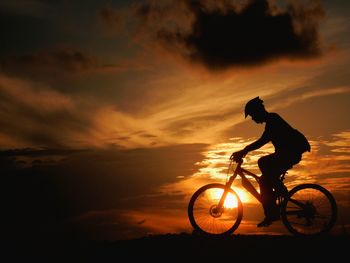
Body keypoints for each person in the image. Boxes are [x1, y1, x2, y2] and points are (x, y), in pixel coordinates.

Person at [230, 96, 310, 227]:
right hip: (286, 154)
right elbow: (263, 140)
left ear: (258, 111)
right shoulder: (271, 120)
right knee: (264, 177)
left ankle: (274, 202)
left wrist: (244, 150)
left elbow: (262, 141)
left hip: (290, 154)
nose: (253, 119)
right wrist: (245, 150)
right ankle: (271, 210)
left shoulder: (273, 119)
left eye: (252, 115)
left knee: (263, 167)